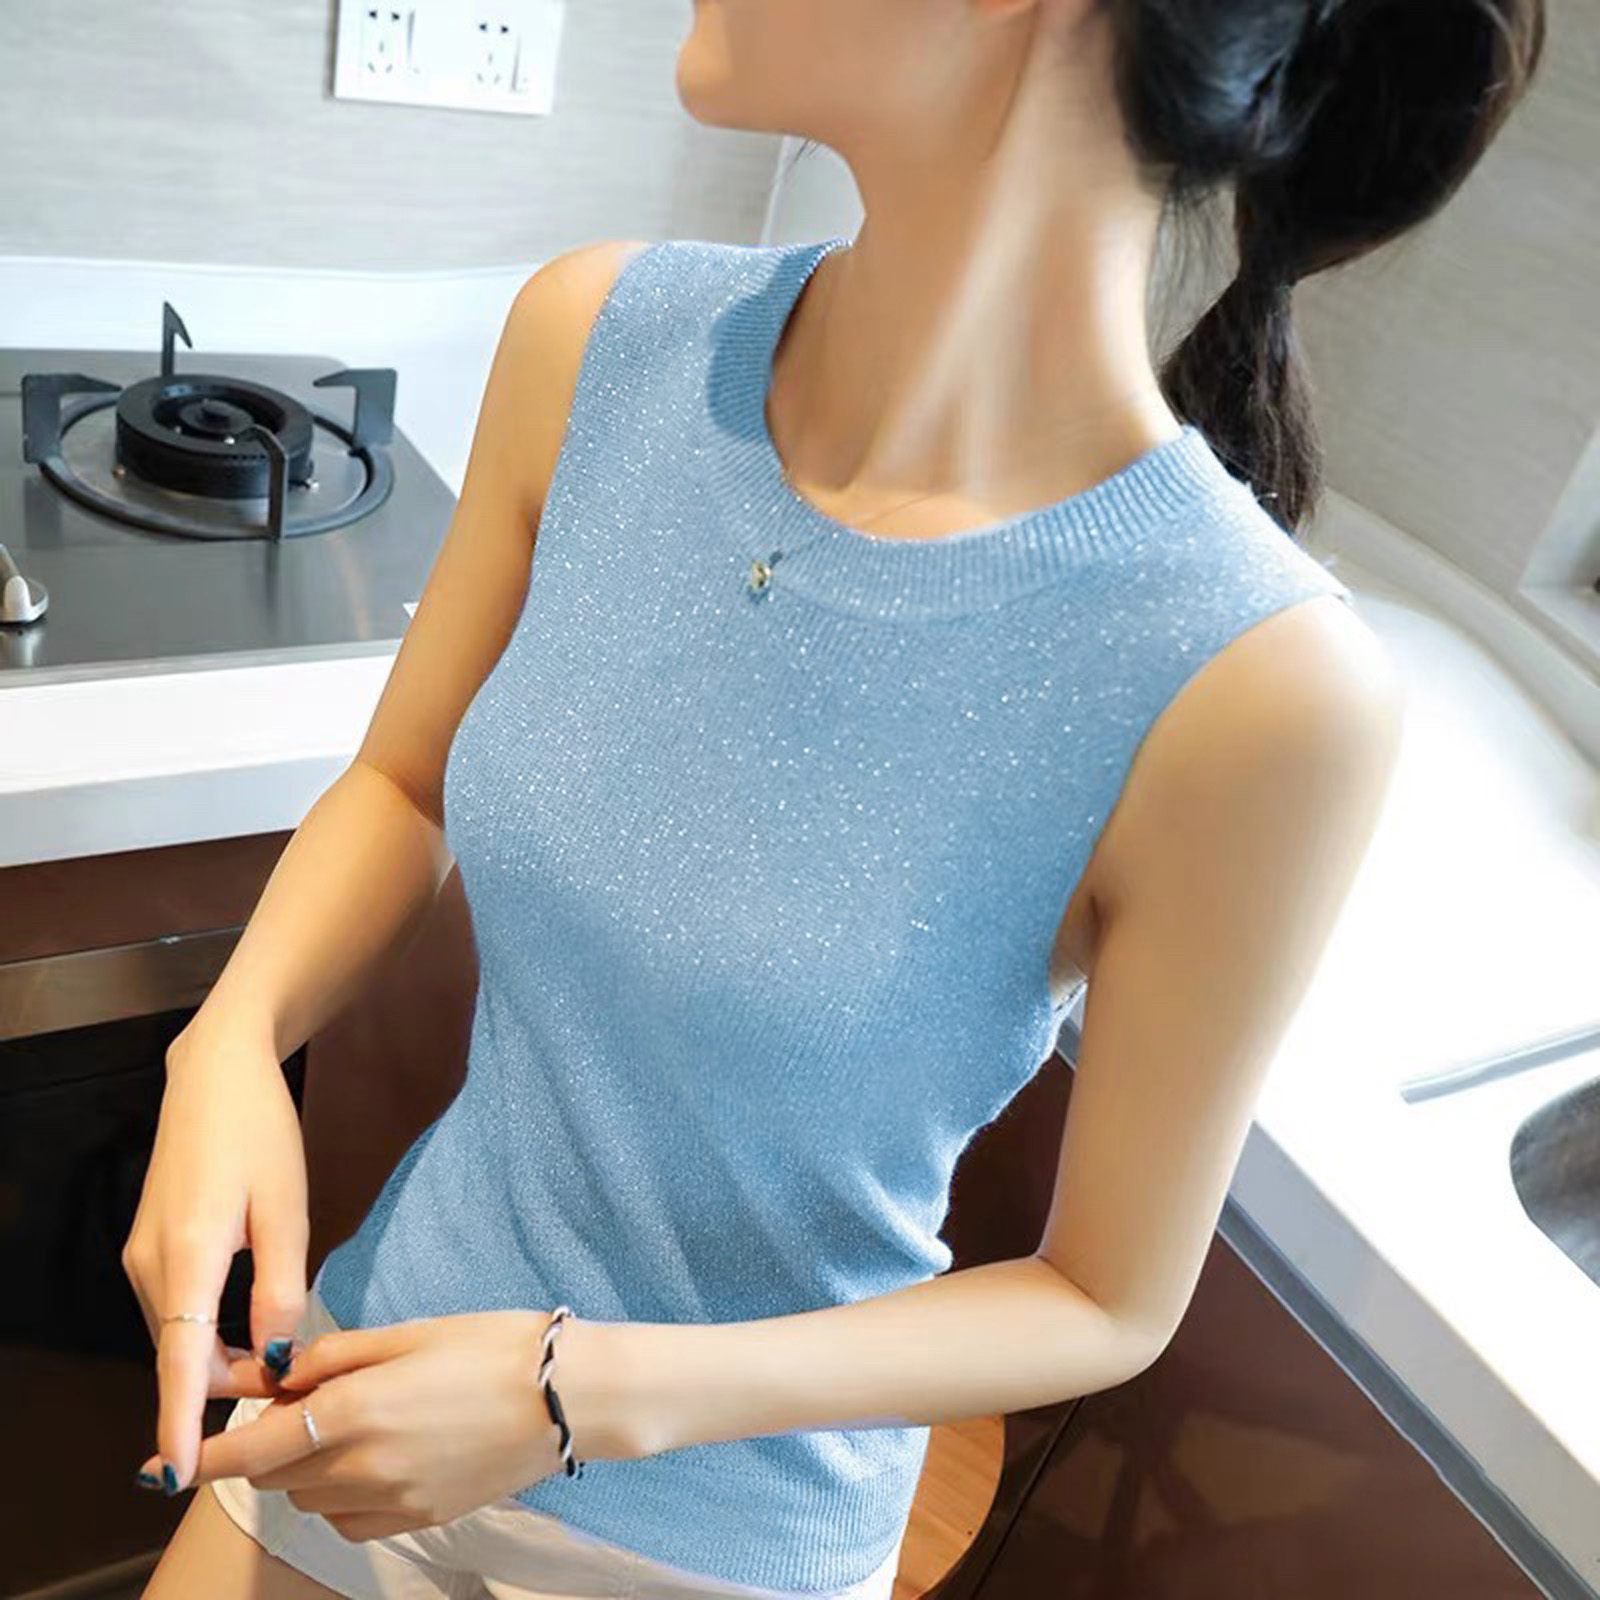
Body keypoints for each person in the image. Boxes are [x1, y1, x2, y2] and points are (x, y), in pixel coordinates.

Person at [130, 1, 1544, 1596]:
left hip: (722, 1536)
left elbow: (1105, 1298)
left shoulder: (1260, 682)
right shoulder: (595, 339)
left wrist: (570, 1393)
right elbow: (403, 785)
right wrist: (230, 1034)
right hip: (374, 1378)